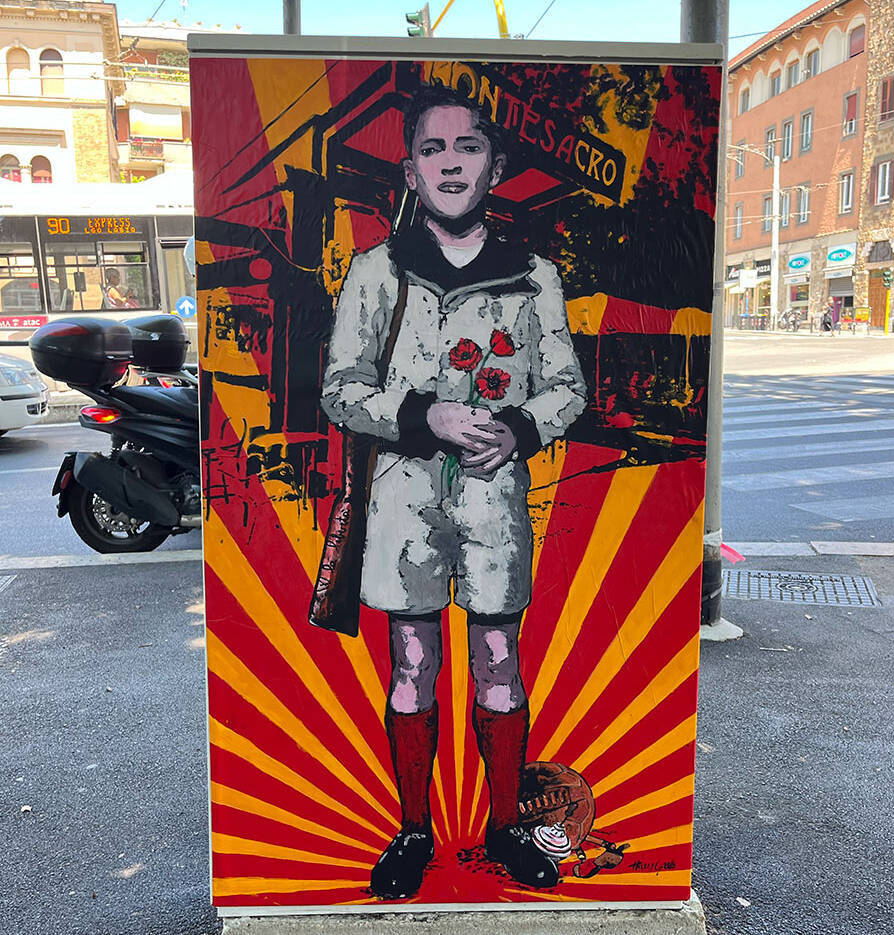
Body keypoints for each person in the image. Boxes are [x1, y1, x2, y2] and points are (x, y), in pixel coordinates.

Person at [320, 85, 587, 899]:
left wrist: (520, 430)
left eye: (466, 148)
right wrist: (422, 414)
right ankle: (413, 829)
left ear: (493, 168)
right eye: (431, 151)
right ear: (409, 172)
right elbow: (339, 388)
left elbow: (566, 387)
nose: (449, 164)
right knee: (411, 661)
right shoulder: (377, 271)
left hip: (492, 500)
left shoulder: (533, 277)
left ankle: (504, 827)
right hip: (403, 502)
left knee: (499, 660)